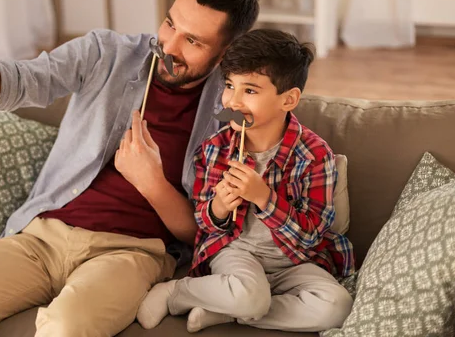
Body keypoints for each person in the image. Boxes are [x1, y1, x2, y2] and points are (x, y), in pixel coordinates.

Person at [0, 0, 259, 336]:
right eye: (170, 23)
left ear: (225, 54)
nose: (169, 45)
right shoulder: (106, 54)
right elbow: (4, 84)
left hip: (130, 253)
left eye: (193, 41)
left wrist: (151, 182)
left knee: (67, 329)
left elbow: (205, 233)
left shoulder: (234, 117)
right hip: (40, 238)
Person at [136, 29, 355, 333]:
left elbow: (313, 236)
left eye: (250, 91)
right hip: (237, 252)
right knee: (249, 294)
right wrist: (220, 207)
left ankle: (226, 310)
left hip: (295, 261)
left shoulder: (315, 156)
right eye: (229, 86)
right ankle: (175, 293)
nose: (233, 101)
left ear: (288, 99)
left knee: (337, 306)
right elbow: (204, 222)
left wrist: (265, 199)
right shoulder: (216, 148)